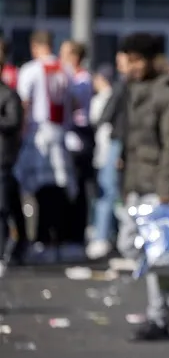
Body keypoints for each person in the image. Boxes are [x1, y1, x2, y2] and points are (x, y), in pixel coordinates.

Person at [115, 33, 169, 341]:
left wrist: (165, 191)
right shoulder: (137, 90)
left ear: (147, 60)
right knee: (127, 244)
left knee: (154, 253)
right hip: (137, 182)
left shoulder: (167, 95)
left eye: (132, 61)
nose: (128, 68)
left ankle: (159, 317)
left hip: (157, 187)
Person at [14, 30, 77, 264]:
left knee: (39, 190)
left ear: (35, 46)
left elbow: (24, 103)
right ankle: (56, 239)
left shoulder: (31, 70)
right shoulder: (65, 70)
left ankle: (41, 239)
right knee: (59, 190)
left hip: (37, 135)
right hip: (60, 135)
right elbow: (74, 102)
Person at [88, 51, 129, 259]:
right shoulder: (125, 87)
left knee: (109, 194)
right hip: (121, 144)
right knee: (114, 194)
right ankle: (114, 235)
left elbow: (106, 116)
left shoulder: (122, 87)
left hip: (117, 144)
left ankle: (103, 237)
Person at [60, 40, 95, 261]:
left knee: (79, 189)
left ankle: (76, 236)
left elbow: (72, 103)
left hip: (80, 136)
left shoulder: (81, 79)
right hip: (69, 135)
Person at [0, 40, 23, 275]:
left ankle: (6, 251)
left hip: (3, 158)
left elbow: (14, 122)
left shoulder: (8, 94)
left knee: (3, 208)